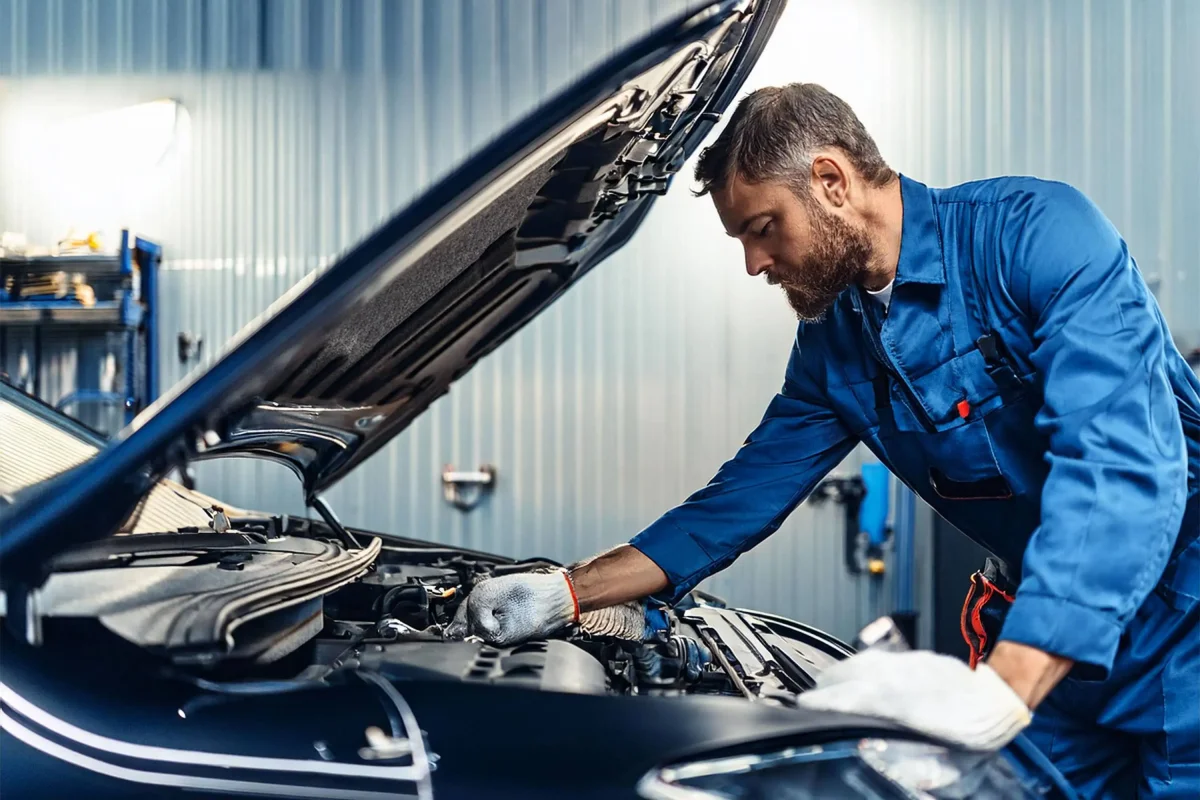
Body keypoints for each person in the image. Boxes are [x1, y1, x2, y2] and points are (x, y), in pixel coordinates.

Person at [448, 83, 1200, 797]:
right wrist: (568, 591)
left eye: (762, 228)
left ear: (831, 181)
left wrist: (1009, 683)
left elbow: (1121, 469)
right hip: (1051, 632)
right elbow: (735, 502)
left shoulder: (1035, 236)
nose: (754, 264)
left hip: (1181, 623)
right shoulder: (835, 343)